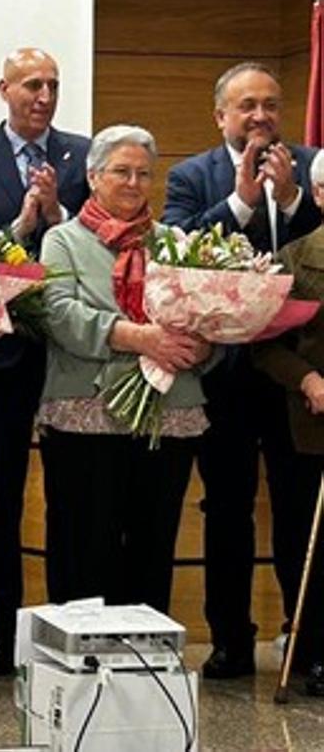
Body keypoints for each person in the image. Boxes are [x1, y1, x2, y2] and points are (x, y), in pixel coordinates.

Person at [163, 62, 321, 679]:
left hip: (297, 379)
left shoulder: (309, 167)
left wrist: (290, 200)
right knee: (226, 509)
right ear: (221, 116)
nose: (261, 116)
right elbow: (178, 249)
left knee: (297, 509)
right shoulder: (191, 174)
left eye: (271, 105)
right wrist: (242, 202)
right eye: (247, 105)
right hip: (223, 377)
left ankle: (303, 642)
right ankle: (230, 638)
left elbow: (322, 246)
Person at [0, 47, 91, 676]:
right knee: (0, 499)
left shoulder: (84, 156)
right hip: (2, 357)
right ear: (4, 88)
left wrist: (57, 214)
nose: (44, 95)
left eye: (54, 85)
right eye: (33, 84)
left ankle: (70, 623)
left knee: (73, 495)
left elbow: (100, 238)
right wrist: (23, 219)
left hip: (69, 353)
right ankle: (3, 633)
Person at [39, 124, 214, 613]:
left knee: (152, 548)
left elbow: (209, 320)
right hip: (85, 413)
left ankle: (143, 671)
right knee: (84, 549)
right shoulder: (63, 239)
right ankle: (83, 671)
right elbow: (59, 314)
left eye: (143, 173)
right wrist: (140, 337)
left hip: (168, 413)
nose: (134, 183)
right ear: (94, 177)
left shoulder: (174, 243)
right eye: (121, 171)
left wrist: (199, 348)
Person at [251, 151, 324, 697]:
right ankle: (316, 649)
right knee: (310, 542)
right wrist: (308, 380)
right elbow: (266, 345)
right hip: (312, 425)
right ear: (318, 195)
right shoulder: (295, 258)